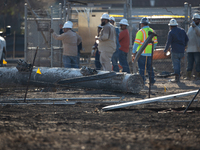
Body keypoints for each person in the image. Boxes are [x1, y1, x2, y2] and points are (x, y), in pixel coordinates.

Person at [132, 17, 158, 84]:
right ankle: (152, 81)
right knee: (150, 68)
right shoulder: (153, 31)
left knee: (142, 68)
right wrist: (152, 49)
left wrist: (133, 52)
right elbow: (155, 42)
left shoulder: (140, 32)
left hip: (142, 53)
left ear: (142, 24)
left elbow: (136, 43)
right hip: (150, 53)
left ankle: (142, 81)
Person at [164, 19, 189, 83]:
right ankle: (178, 77)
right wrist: (185, 46)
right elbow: (187, 39)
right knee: (178, 64)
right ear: (176, 25)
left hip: (175, 51)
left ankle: (177, 79)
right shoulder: (182, 31)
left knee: (176, 65)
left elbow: (168, 42)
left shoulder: (171, 32)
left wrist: (165, 50)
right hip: (182, 51)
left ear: (170, 26)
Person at [186, 13, 200, 80]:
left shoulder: (197, 27)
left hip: (197, 49)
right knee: (190, 63)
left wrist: (196, 27)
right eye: (194, 20)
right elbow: (187, 36)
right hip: (190, 49)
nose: (195, 21)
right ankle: (188, 76)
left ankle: (198, 76)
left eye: (196, 20)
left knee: (198, 63)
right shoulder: (190, 28)